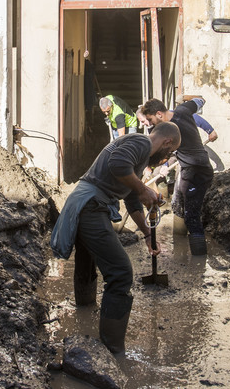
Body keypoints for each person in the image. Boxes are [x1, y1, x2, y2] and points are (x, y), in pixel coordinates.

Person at [49, 122, 182, 354]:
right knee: (121, 273)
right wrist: (143, 189)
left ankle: (85, 313)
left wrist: (148, 234)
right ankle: (113, 350)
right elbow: (117, 163)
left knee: (87, 258)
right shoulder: (141, 142)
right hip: (90, 205)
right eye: (169, 153)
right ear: (167, 141)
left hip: (84, 204)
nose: (166, 158)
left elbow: (131, 201)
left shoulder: (138, 160)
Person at [141, 96, 214, 256]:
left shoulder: (166, 129)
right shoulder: (183, 110)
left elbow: (162, 153)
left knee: (192, 216)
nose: (151, 124)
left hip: (197, 171)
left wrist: (155, 165)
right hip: (191, 169)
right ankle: (179, 244)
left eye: (150, 119)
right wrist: (187, 98)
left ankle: (198, 263)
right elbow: (201, 100)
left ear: (159, 114)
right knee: (177, 202)